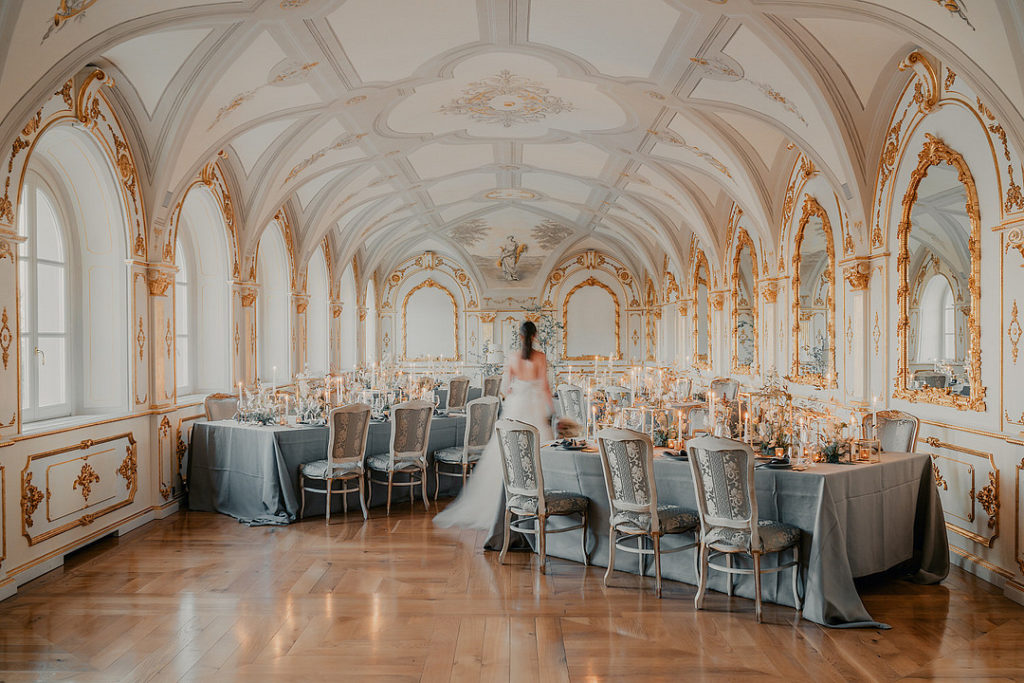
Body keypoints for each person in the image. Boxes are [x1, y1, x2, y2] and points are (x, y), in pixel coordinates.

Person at [433, 321, 554, 546]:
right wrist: (552, 410)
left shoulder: (512, 357)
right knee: (538, 454)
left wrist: (518, 394)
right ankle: (536, 504)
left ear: (519, 336)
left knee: (505, 455)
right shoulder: (541, 357)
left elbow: (505, 388)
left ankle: (504, 503)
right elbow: (545, 387)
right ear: (535, 336)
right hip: (535, 410)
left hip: (516, 408)